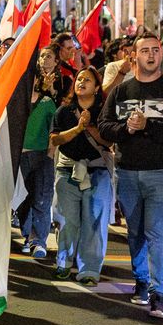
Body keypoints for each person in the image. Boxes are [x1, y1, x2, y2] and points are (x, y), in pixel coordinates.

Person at [98, 32, 163, 321]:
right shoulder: (122, 92)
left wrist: (146, 125)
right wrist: (126, 129)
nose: (151, 55)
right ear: (134, 57)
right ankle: (141, 280)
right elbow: (103, 126)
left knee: (157, 232)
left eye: (156, 50)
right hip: (128, 172)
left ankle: (159, 293)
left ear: (161, 54)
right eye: (145, 50)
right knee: (136, 231)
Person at [51, 68, 114, 284]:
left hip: (97, 172)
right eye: (79, 79)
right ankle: (64, 262)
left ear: (97, 87)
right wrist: (78, 128)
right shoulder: (63, 111)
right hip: (67, 171)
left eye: (88, 80)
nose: (82, 82)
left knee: (94, 221)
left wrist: (90, 126)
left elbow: (109, 142)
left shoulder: (105, 112)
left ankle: (89, 269)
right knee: (67, 220)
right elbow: (56, 140)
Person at [16, 74, 58, 260]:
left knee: (41, 198)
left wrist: (50, 154)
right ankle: (27, 236)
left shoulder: (47, 102)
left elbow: (54, 130)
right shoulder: (15, 101)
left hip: (41, 155)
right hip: (18, 157)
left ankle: (39, 241)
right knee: (23, 200)